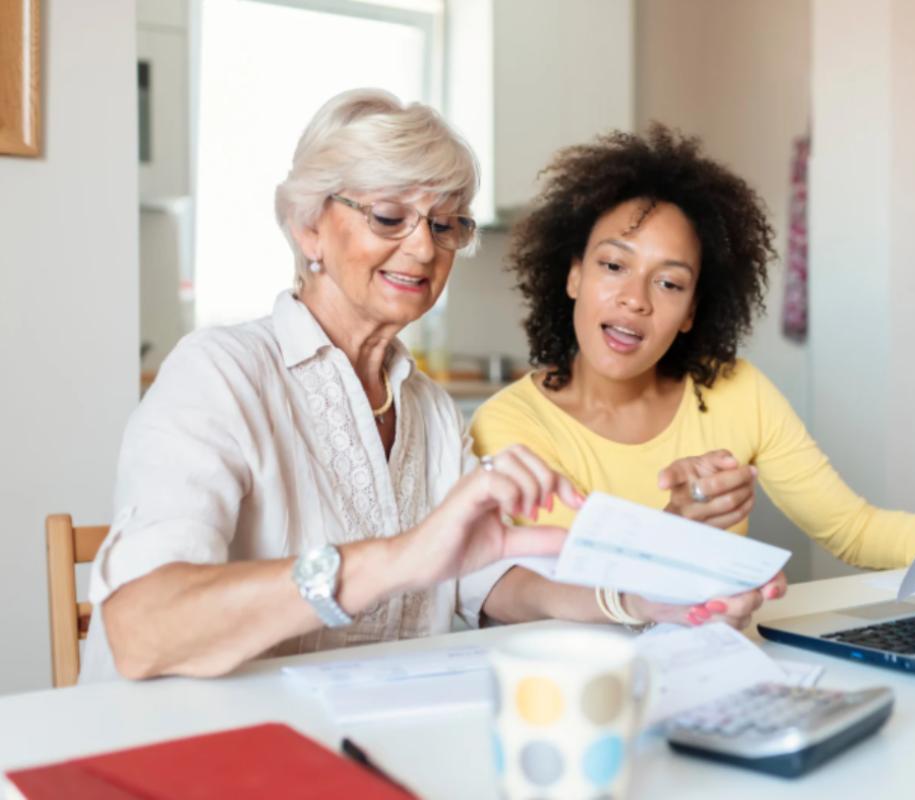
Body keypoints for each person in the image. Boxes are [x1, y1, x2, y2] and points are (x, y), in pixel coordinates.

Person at [80, 89, 582, 682]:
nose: (424, 248)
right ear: (309, 228)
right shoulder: (218, 373)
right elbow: (143, 631)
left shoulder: (431, 410)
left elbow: (476, 578)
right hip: (204, 747)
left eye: (445, 224)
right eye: (389, 217)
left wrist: (623, 604)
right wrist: (395, 560)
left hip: (365, 741)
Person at [471, 125, 915, 630]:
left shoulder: (737, 392)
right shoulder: (507, 426)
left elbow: (855, 530)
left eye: (669, 282)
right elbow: (565, 590)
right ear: (574, 275)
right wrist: (674, 529)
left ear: (693, 310)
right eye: (613, 265)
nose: (636, 298)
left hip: (725, 677)